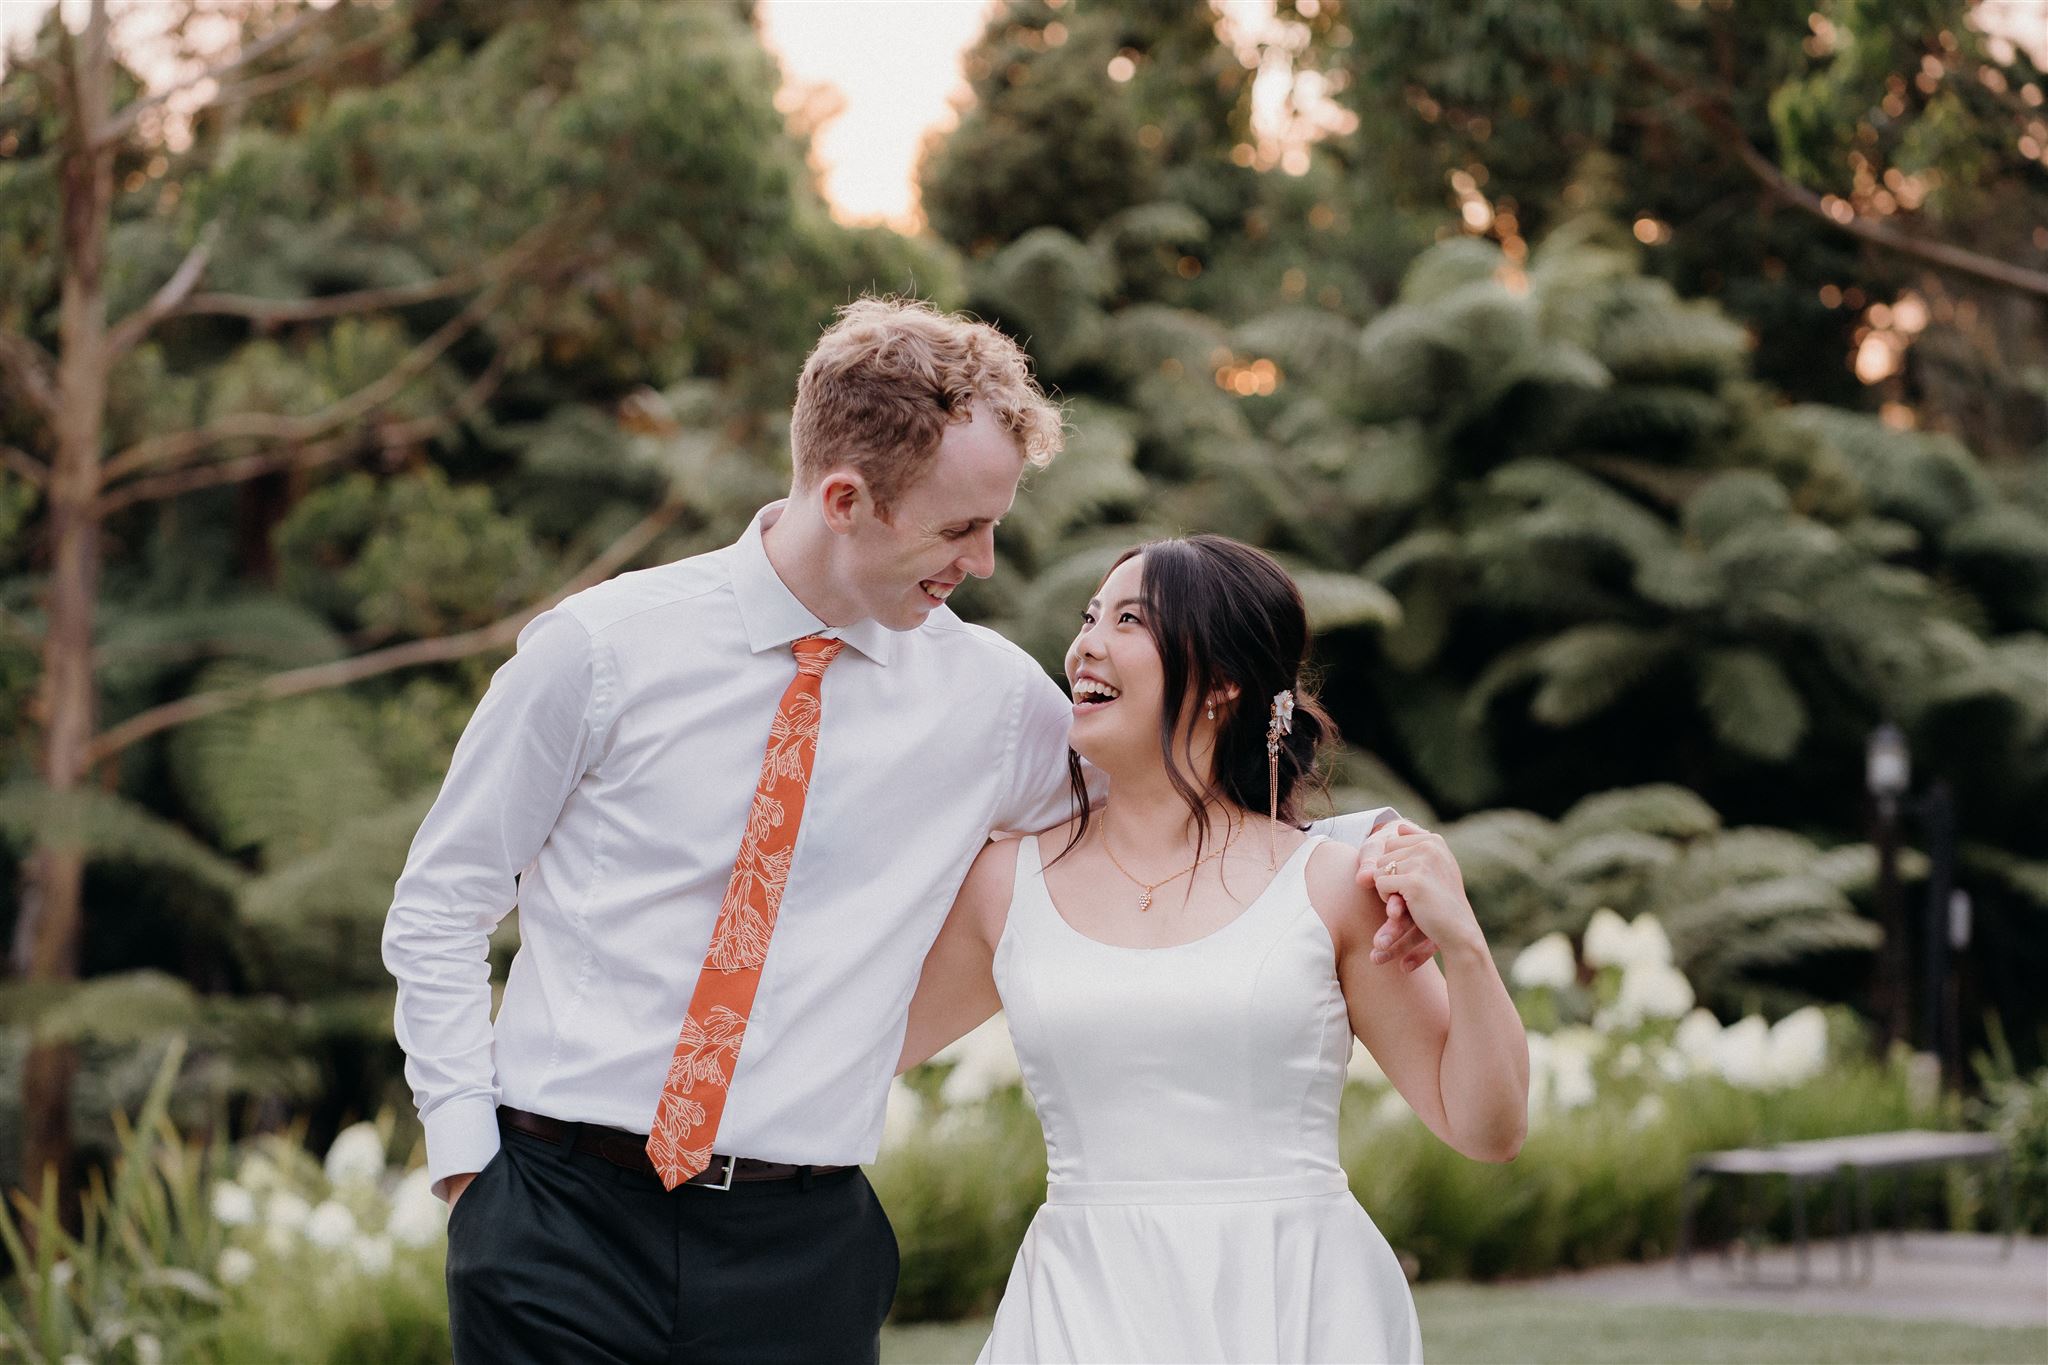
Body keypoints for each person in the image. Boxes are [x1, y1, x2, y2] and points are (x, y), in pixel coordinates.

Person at [382, 298, 1444, 1364]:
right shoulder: (599, 651)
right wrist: (471, 1170)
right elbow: (442, 900)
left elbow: (1157, 816)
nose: (982, 563)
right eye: (957, 528)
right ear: (845, 499)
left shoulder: (991, 703)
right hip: (555, 1222)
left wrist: (1355, 856)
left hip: (799, 1252)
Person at [900, 535, 1530, 1365]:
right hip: (1081, 1305)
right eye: (1090, 616)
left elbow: (1486, 1127)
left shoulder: (1333, 886)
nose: (1085, 642)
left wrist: (1467, 946)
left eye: (1129, 620)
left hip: (1295, 1299)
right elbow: (861, 1044)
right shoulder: (1002, 882)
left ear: (1224, 682)